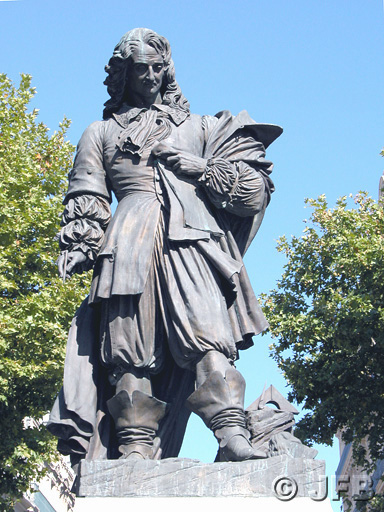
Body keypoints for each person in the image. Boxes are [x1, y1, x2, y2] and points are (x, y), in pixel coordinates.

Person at [47, 28, 282, 464]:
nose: (151, 76)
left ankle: (231, 433)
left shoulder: (203, 127)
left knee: (209, 337)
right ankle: (134, 447)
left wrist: (203, 168)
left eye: (159, 68)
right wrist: (80, 241)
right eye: (141, 69)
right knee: (129, 351)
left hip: (191, 239)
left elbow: (254, 190)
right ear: (123, 74)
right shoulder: (98, 133)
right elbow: (88, 194)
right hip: (127, 243)